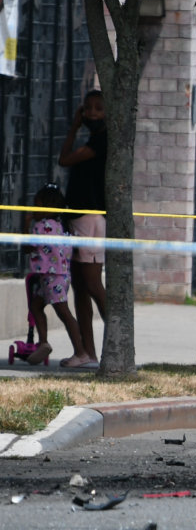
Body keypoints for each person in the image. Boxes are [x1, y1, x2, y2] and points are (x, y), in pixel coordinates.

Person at [59, 89, 108, 366]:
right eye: (87, 108)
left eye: (98, 108)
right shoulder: (93, 138)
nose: (91, 113)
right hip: (78, 217)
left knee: (92, 284)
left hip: (90, 218)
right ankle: (86, 352)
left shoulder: (101, 140)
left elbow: (64, 159)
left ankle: (117, 340)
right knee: (79, 285)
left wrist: (74, 128)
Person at [24, 184, 91, 367]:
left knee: (64, 313)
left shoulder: (40, 226)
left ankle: (81, 352)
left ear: (46, 208)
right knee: (36, 306)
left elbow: (26, 248)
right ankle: (43, 343)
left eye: (37, 206)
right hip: (56, 276)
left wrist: (25, 224)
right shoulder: (61, 226)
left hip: (53, 277)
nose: (33, 209)